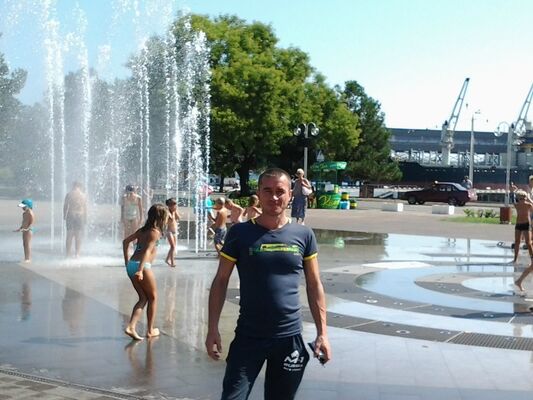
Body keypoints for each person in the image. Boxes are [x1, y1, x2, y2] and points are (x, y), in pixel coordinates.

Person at [205, 168, 331, 400]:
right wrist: (212, 328)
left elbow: (314, 285)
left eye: (280, 191)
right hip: (248, 335)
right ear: (259, 193)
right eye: (267, 191)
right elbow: (221, 281)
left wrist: (322, 333)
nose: (274, 197)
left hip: (289, 338)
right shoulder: (240, 233)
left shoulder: (304, 235)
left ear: (290, 194)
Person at [123, 203, 169, 340]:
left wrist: (127, 262)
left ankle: (131, 327)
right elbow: (147, 251)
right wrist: (141, 270)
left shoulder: (142, 230)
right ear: (161, 217)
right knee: (153, 298)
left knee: (143, 298)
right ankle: (150, 330)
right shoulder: (155, 232)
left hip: (132, 265)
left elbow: (125, 242)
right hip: (142, 267)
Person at [63, 181, 87, 258]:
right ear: (80, 186)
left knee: (69, 234)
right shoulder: (83, 195)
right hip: (80, 215)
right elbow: (85, 208)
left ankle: (68, 253)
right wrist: (85, 218)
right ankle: (77, 254)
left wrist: (64, 215)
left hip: (71, 214)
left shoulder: (69, 194)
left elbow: (65, 206)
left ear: (74, 186)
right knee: (78, 235)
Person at [512, 190, 533, 264]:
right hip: (518, 224)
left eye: (523, 198)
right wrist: (514, 191)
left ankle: (532, 259)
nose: (522, 200)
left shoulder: (528, 205)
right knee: (517, 241)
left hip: (526, 224)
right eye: (520, 198)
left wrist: (529, 199)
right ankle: (515, 259)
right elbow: (513, 198)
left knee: (528, 243)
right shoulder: (516, 205)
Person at [122, 185, 143, 249]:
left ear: (134, 191)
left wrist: (141, 218)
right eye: (128, 192)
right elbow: (122, 208)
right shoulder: (124, 197)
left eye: (131, 192)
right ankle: (126, 246)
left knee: (134, 232)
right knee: (126, 232)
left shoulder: (138, 198)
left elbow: (140, 209)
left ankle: (135, 246)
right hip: (126, 216)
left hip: (134, 217)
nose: (129, 194)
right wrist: (121, 217)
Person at [14, 199, 34, 263]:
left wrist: (27, 228)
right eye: (22, 207)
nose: (22, 208)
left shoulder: (30, 213)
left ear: (28, 206)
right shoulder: (24, 213)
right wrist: (20, 228)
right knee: (24, 244)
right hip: (24, 230)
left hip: (29, 230)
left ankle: (28, 258)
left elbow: (31, 222)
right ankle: (26, 258)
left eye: (23, 206)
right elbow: (23, 222)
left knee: (27, 244)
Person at [165, 198, 180, 268]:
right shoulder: (167, 213)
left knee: (173, 247)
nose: (176, 206)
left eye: (176, 205)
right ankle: (172, 262)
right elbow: (165, 222)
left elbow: (178, 218)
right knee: (173, 246)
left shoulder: (174, 211)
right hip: (169, 231)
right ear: (170, 206)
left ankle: (167, 259)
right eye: (174, 205)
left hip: (174, 231)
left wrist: (175, 212)